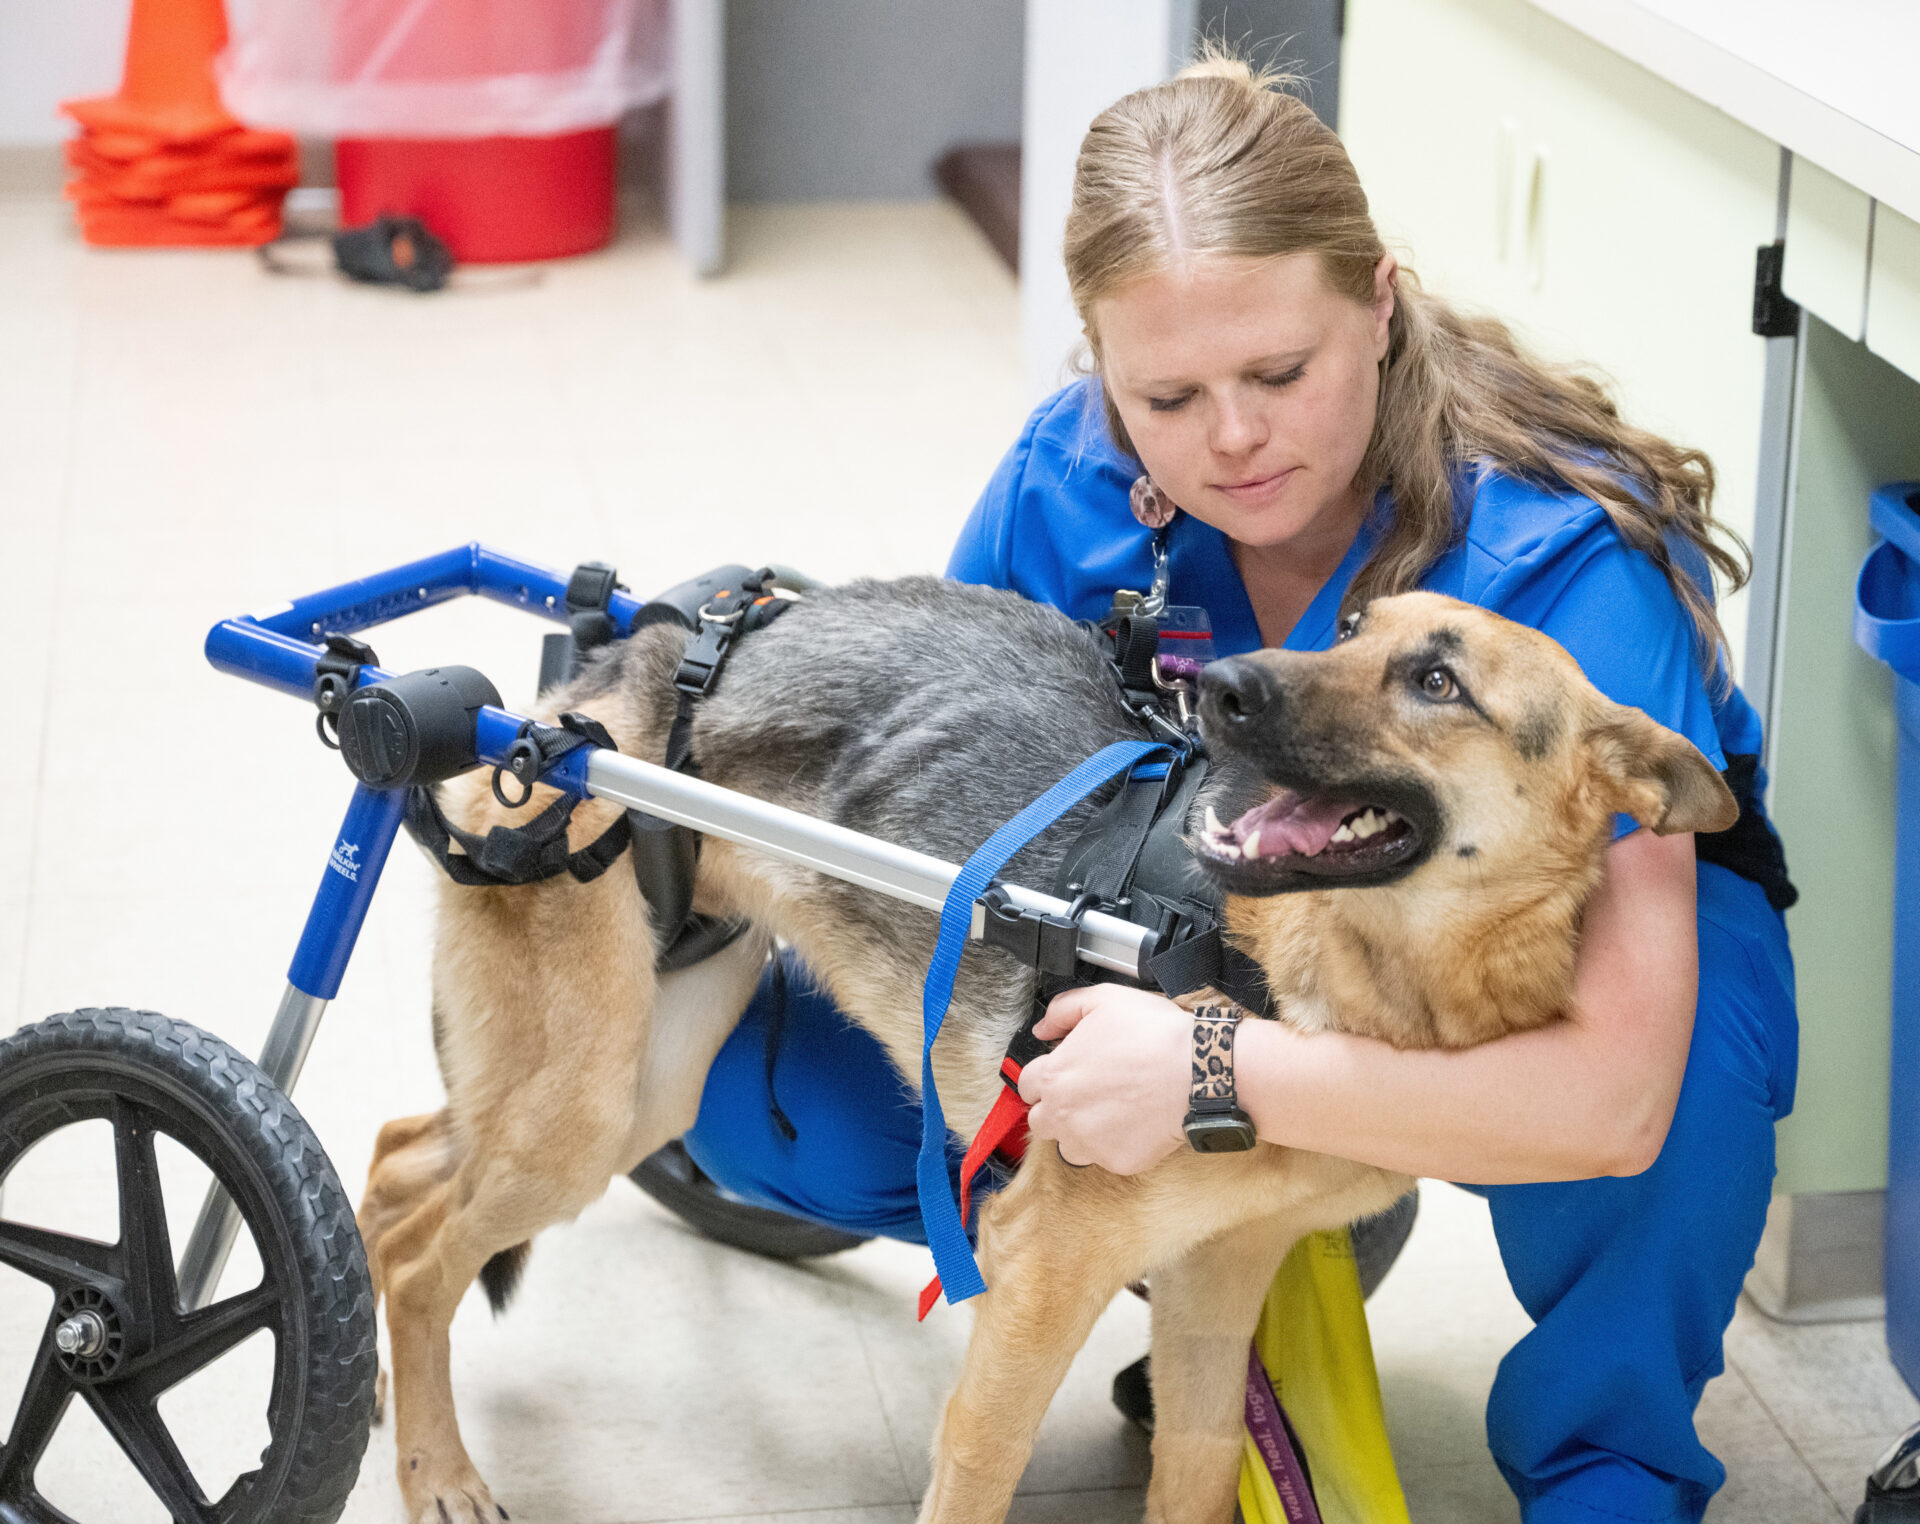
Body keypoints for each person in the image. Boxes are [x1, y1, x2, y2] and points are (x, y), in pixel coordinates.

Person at [642, 56, 1797, 1524]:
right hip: (1212, 934)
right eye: (1165, 394)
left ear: (1381, 303)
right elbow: (958, 789)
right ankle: (1208, 1238)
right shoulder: (1067, 483)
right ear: (1102, 373)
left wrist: (1215, 1077)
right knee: (773, 1111)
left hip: (1537, 946)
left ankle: (1609, 1469)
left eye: (1280, 372)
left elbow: (1614, 1094)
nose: (1231, 439)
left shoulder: (1560, 565)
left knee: (1668, 1095)